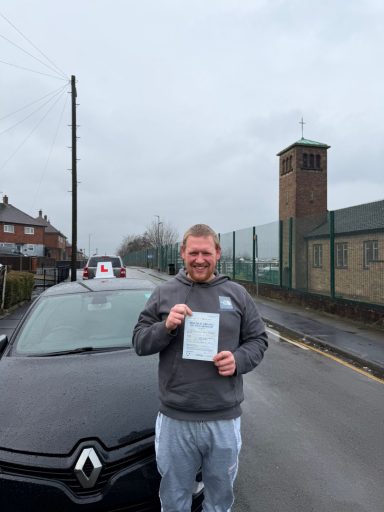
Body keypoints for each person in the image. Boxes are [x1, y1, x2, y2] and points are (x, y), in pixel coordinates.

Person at [133, 224, 268, 512]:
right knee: (174, 499)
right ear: (182, 253)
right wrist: (165, 326)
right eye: (193, 252)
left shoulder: (237, 294)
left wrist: (238, 360)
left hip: (223, 419)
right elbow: (140, 342)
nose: (199, 259)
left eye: (206, 252)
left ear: (217, 253)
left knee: (219, 500)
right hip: (175, 419)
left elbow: (258, 340)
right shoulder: (164, 293)